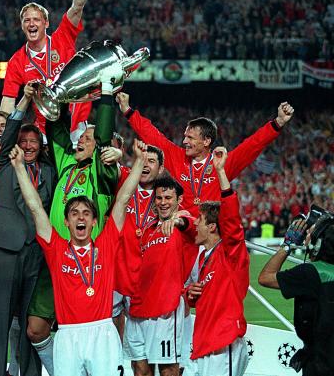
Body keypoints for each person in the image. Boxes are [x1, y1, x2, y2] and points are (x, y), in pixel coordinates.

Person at [9, 139, 147, 376]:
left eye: (86, 213)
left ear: (94, 222)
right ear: (66, 221)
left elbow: (123, 198)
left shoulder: (106, 244)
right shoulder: (56, 250)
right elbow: (35, 207)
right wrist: (20, 167)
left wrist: (139, 162)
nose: (80, 218)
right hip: (68, 335)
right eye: (74, 214)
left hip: (102, 334)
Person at [24, 83, 119, 374]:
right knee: (36, 329)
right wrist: (60, 92)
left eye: (88, 139)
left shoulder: (102, 172)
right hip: (56, 260)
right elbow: (55, 127)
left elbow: (103, 137)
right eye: (82, 137)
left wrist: (106, 94)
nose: (81, 140)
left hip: (88, 262)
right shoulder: (67, 163)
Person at [116, 92, 294, 217]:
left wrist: (277, 123)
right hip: (183, 237)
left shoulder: (221, 164)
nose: (184, 141)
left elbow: (252, 145)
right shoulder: (177, 157)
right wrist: (128, 111)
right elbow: (152, 134)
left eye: (190, 138)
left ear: (207, 141)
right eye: (185, 136)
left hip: (211, 239)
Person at [0, 84, 56, 376]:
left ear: (41, 145)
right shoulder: (4, 163)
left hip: (36, 254)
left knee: (28, 323)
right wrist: (24, 100)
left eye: (33, 141)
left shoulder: (49, 172)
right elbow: (11, 130)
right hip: (5, 251)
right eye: (22, 140)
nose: (27, 145)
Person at [0, 0, 98, 143]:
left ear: (46, 23)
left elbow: (76, 8)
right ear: (21, 26)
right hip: (46, 134)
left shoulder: (63, 38)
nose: (31, 24)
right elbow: (7, 101)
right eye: (26, 20)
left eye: (36, 19)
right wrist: (4, 134)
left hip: (78, 129)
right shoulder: (17, 61)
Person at [185, 147, 249, 376]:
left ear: (212, 226)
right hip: (205, 343)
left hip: (224, 344)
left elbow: (231, 222)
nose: (194, 224)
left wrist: (221, 172)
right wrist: (190, 295)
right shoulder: (203, 257)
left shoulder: (230, 253)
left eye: (199, 220)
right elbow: (203, 299)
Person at [126, 175, 196, 376]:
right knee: (140, 370)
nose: (163, 202)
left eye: (168, 198)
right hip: (138, 307)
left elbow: (188, 224)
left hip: (165, 308)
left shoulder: (183, 222)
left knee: (168, 369)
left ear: (178, 200)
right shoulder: (148, 229)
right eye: (159, 198)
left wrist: (177, 220)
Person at [258, 213, 334, 375]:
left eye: (310, 234)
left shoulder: (310, 273)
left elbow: (265, 277)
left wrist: (288, 245)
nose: (307, 236)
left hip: (321, 362)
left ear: (319, 243)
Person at [114, 145, 164, 336]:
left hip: (146, 278)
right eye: (142, 160)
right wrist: (120, 153)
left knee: (142, 339)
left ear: (160, 169)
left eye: (151, 161)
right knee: (111, 331)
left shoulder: (165, 197)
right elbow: (113, 166)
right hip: (117, 272)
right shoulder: (125, 181)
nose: (145, 165)